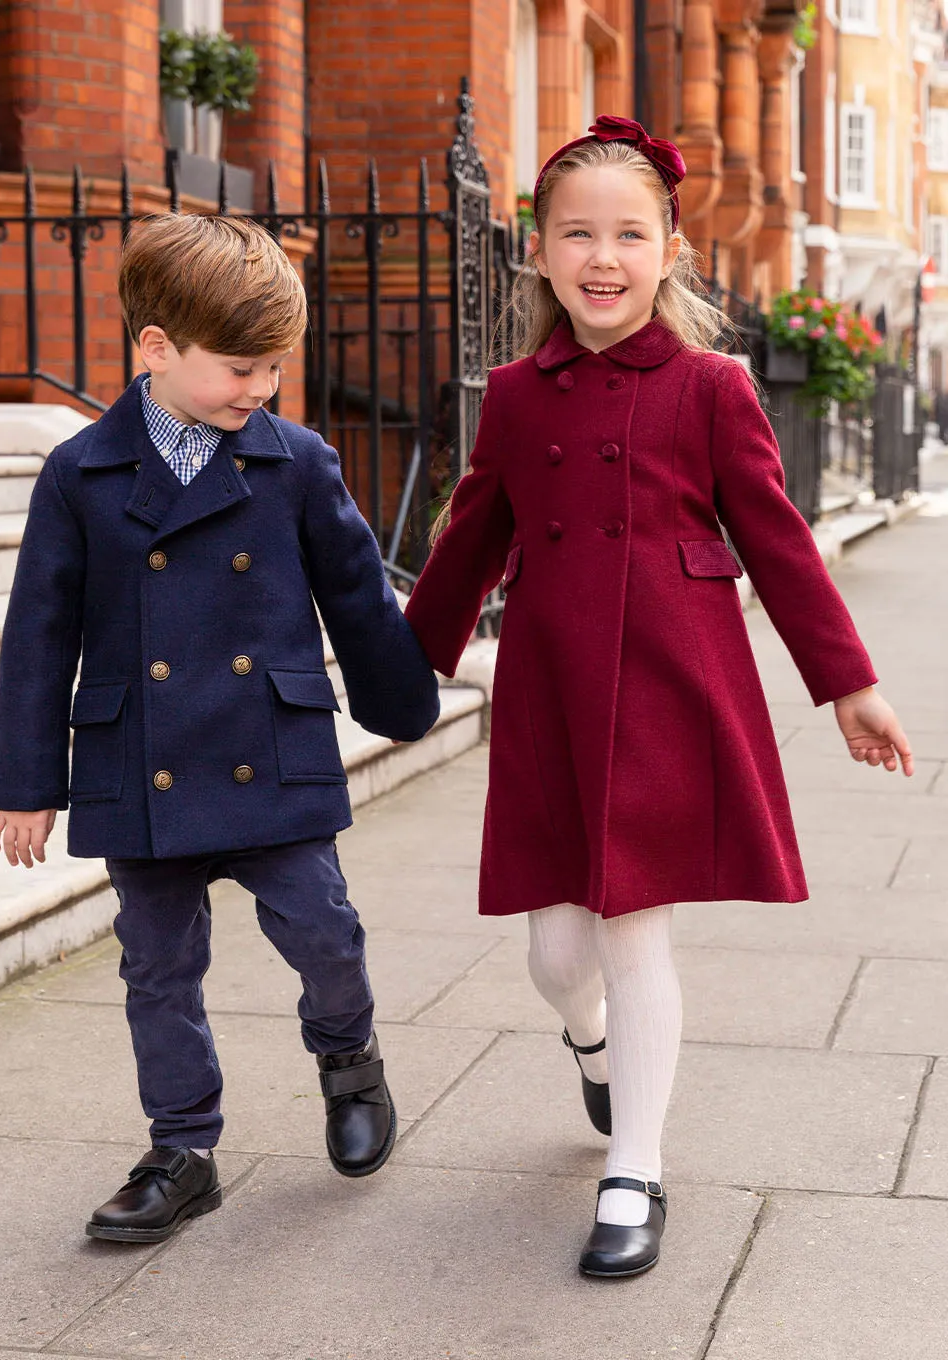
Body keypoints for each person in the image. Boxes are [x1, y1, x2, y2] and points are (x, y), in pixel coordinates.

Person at [404, 117, 913, 1279]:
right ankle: (587, 1043)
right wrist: (402, 667)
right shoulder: (519, 398)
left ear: (669, 250)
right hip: (546, 692)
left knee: (635, 929)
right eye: (577, 233)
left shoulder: (710, 388)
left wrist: (850, 685)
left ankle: (636, 1164)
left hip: (670, 686)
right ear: (536, 251)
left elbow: (779, 544)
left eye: (629, 234)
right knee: (554, 951)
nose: (603, 256)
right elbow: (471, 537)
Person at [0, 213, 440, 1243]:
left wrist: (402, 701)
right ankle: (182, 1146)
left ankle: (348, 1054)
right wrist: (26, 782)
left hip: (267, 749)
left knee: (324, 931)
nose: (262, 389)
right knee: (157, 964)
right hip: (136, 754)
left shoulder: (297, 461)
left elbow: (360, 597)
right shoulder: (81, 472)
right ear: (155, 349)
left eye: (275, 368)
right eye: (242, 368)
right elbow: (38, 633)